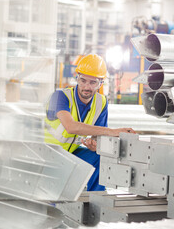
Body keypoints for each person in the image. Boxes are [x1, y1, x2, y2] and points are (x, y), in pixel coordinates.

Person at [44, 54, 136, 191]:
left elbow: (98, 135)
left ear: (101, 83)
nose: (86, 86)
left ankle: (94, 203)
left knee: (100, 155)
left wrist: (95, 144)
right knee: (54, 198)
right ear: (77, 78)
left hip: (71, 154)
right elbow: (70, 127)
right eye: (83, 80)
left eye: (93, 82)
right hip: (48, 155)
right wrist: (114, 132)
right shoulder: (60, 97)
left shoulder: (101, 102)